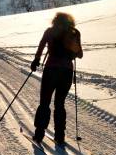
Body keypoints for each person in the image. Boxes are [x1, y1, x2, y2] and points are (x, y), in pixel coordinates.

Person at [31, 12, 83, 144]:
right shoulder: (75, 33)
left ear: (55, 20)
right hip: (66, 72)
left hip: (51, 70)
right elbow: (80, 54)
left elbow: (41, 46)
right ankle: (60, 136)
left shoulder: (50, 31)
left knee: (45, 102)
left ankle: (39, 135)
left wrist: (36, 61)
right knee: (60, 104)